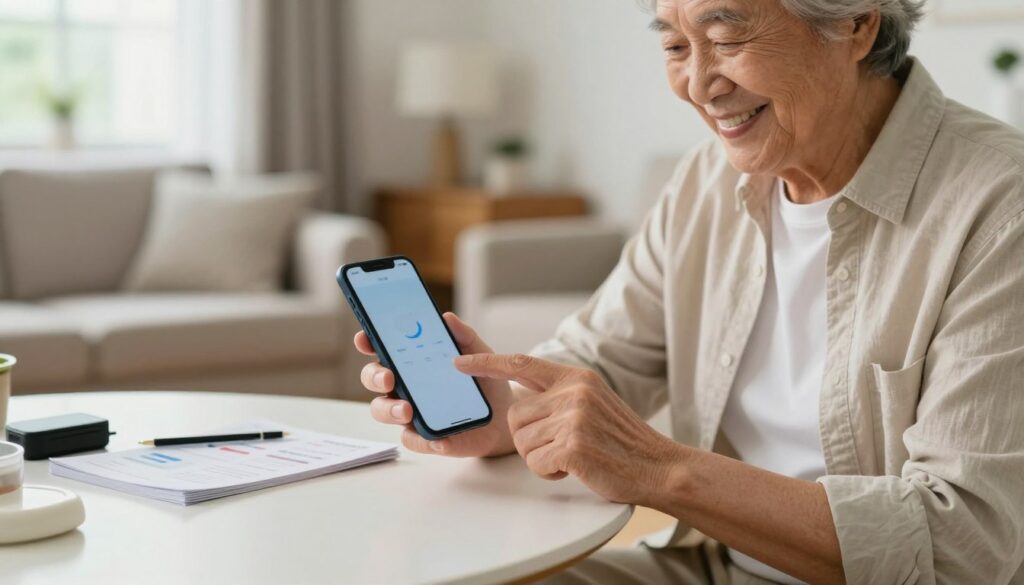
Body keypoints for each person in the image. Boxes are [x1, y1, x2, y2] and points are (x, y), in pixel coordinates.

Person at [354, 0, 1024, 582]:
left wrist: (664, 471)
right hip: (712, 566)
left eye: (727, 39)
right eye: (675, 45)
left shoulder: (1000, 204)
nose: (698, 84)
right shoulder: (707, 180)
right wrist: (505, 412)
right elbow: (603, 357)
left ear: (855, 24)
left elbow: (961, 546)